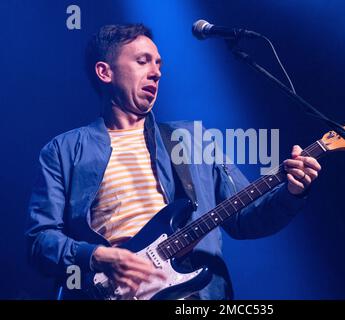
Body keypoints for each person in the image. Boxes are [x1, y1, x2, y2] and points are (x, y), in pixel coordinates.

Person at [25, 23, 321, 300]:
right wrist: (97, 255)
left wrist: (293, 192)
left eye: (159, 64)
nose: (156, 73)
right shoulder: (64, 150)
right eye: (143, 61)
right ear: (105, 72)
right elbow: (40, 241)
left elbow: (245, 220)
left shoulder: (192, 139)